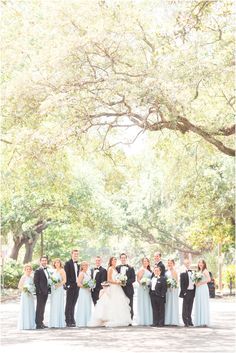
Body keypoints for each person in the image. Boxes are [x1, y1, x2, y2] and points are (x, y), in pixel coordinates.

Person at [89, 256, 132, 327]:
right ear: (111, 261)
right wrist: (117, 282)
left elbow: (116, 277)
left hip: (118, 288)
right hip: (113, 287)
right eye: (113, 260)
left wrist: (120, 281)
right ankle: (109, 319)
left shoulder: (116, 268)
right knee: (111, 302)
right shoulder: (110, 268)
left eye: (115, 260)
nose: (114, 262)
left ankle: (119, 318)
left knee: (118, 303)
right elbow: (108, 280)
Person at [116, 253, 135, 320]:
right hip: (119, 289)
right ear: (120, 259)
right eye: (122, 258)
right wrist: (119, 282)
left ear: (126, 259)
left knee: (130, 304)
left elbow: (133, 279)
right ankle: (122, 319)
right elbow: (115, 277)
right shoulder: (117, 268)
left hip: (129, 289)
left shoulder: (131, 268)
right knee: (121, 304)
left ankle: (130, 319)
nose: (123, 259)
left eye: (124, 258)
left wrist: (125, 282)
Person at [34, 256, 50, 329]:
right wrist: (39, 291)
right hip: (40, 292)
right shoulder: (38, 270)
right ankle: (38, 324)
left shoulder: (47, 270)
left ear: (47, 261)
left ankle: (41, 322)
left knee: (42, 308)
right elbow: (36, 282)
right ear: (40, 262)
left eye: (45, 260)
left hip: (45, 292)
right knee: (39, 308)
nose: (44, 262)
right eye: (42, 260)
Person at [49, 258, 66, 328]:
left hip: (59, 289)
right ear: (54, 264)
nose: (57, 264)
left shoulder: (62, 270)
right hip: (53, 290)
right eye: (56, 263)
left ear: (60, 263)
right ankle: (53, 323)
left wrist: (58, 285)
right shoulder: (54, 271)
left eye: (58, 262)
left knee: (58, 304)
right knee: (54, 305)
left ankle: (59, 322)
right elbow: (51, 279)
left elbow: (65, 280)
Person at [64, 249, 80, 327]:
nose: (76, 255)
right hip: (71, 286)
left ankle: (72, 319)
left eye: (77, 254)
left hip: (77, 287)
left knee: (73, 303)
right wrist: (68, 285)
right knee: (69, 303)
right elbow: (66, 275)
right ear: (71, 254)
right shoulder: (67, 263)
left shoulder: (78, 264)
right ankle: (68, 320)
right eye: (74, 254)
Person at [18, 264, 35, 330]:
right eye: (27, 269)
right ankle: (25, 325)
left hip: (30, 295)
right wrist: (26, 290)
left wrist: (31, 290)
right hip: (25, 295)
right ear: (25, 270)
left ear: (31, 270)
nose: (28, 270)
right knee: (25, 308)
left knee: (30, 308)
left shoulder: (31, 277)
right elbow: (19, 286)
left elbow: (33, 286)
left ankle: (30, 325)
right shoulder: (23, 277)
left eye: (29, 269)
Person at [75, 261, 93, 327]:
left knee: (87, 305)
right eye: (84, 265)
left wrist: (91, 286)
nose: (85, 266)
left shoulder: (88, 273)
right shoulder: (81, 273)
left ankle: (87, 321)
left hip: (88, 292)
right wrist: (86, 287)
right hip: (83, 292)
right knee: (83, 305)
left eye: (86, 265)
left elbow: (90, 282)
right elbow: (78, 284)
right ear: (82, 266)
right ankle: (82, 322)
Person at [136, 257, 153, 326]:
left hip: (148, 288)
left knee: (148, 303)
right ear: (142, 263)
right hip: (143, 289)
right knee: (143, 302)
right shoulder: (142, 270)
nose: (145, 262)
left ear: (148, 262)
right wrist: (143, 284)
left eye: (147, 261)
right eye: (144, 261)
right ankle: (143, 320)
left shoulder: (148, 270)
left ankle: (148, 319)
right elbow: (138, 279)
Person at [194, 259, 211, 327]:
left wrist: (200, 283)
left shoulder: (205, 271)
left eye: (202, 263)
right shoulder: (198, 271)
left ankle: (204, 321)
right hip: (198, 289)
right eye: (199, 263)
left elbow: (209, 279)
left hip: (203, 288)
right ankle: (199, 321)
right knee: (199, 303)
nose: (200, 264)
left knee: (203, 303)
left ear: (204, 264)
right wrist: (195, 282)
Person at [179, 258, 195, 327]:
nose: (187, 264)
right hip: (186, 292)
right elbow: (181, 284)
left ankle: (190, 320)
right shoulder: (182, 273)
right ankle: (185, 321)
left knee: (190, 307)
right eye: (186, 263)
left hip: (192, 291)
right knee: (185, 307)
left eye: (188, 263)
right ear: (184, 264)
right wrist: (184, 292)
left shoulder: (193, 272)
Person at [165, 259, 179, 326]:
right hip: (167, 289)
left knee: (172, 303)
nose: (169, 264)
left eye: (171, 263)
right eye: (168, 263)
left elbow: (176, 281)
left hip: (172, 290)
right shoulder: (167, 271)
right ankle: (167, 320)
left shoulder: (174, 271)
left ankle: (173, 320)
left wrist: (172, 286)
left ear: (173, 264)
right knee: (167, 304)